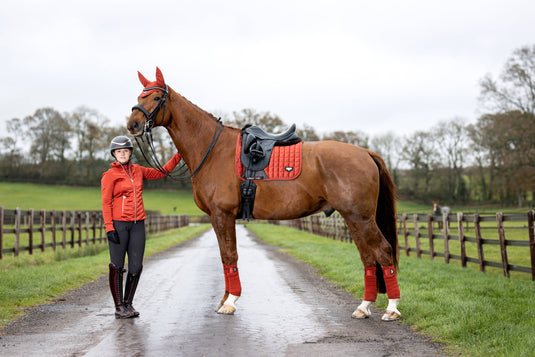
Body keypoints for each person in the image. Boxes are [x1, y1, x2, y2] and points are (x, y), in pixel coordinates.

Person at [101, 135, 182, 318]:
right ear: (114, 154)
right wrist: (109, 228)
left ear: (130, 152)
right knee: (117, 265)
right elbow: (106, 204)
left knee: (136, 266)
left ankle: (128, 304)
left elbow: (161, 172)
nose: (123, 154)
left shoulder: (138, 170)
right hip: (119, 225)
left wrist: (178, 156)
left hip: (138, 224)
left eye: (126, 151)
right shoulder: (109, 176)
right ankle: (119, 307)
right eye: (119, 151)